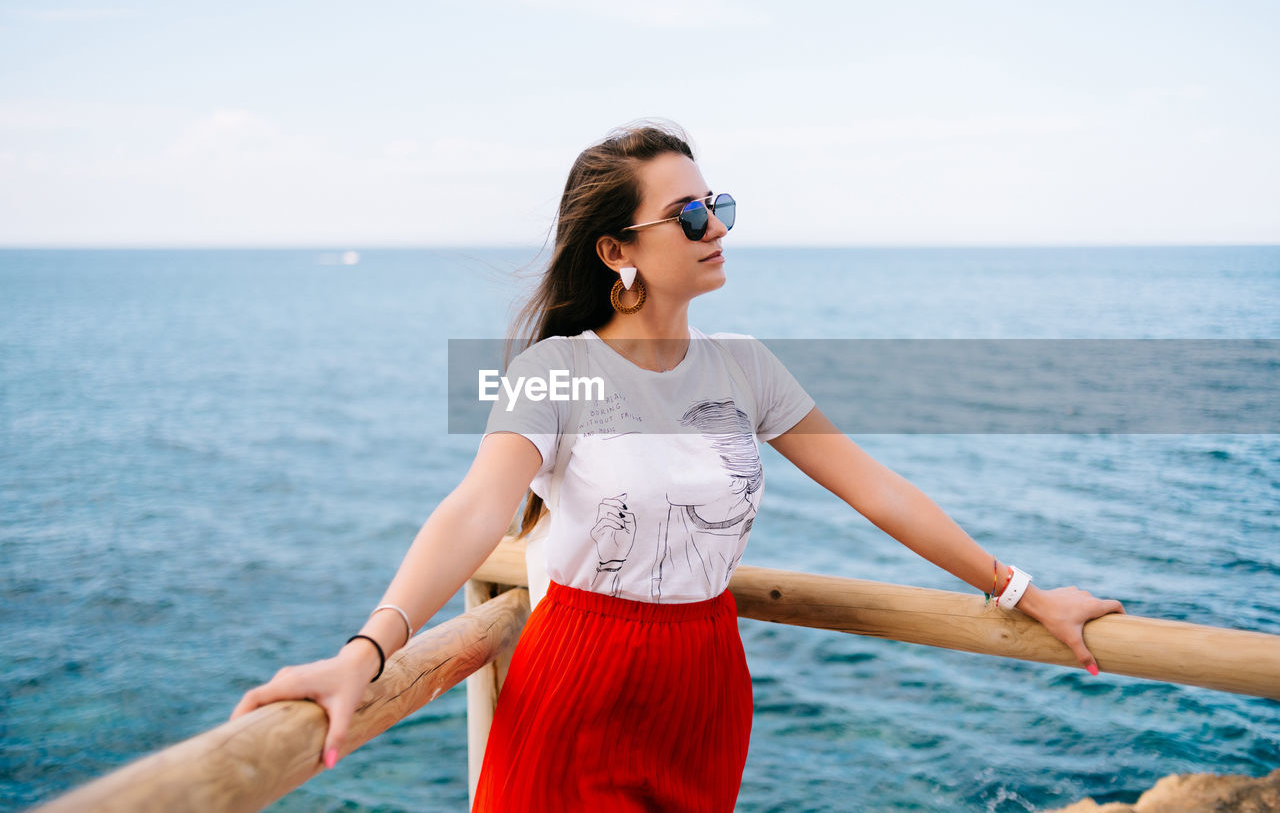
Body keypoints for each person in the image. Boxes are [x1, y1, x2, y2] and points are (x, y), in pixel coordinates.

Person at [230, 120, 1126, 811]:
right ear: (616, 252)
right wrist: (368, 649)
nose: (714, 227)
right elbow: (472, 512)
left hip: (704, 687)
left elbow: (879, 492)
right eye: (689, 215)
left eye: (717, 207)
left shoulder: (745, 367)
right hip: (576, 685)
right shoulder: (558, 373)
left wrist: (1022, 592)